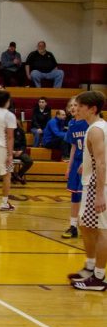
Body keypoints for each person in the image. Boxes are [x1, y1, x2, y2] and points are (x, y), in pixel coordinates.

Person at [67, 91, 107, 291]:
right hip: (91, 181)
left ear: (92, 109)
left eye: (81, 106)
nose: (77, 109)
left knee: (101, 229)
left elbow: (101, 162)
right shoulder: (97, 128)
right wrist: (86, 165)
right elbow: (97, 160)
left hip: (98, 186)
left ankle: (99, 277)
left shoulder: (96, 130)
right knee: (86, 225)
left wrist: (100, 193)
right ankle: (90, 267)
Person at [63, 97, 88, 238]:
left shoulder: (88, 122)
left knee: (86, 195)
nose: (73, 108)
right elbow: (73, 147)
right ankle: (73, 226)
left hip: (88, 162)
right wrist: (69, 167)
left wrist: (87, 162)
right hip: (77, 163)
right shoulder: (72, 123)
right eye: (70, 105)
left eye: (75, 105)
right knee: (74, 194)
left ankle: (87, 225)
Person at [11, 121, 34, 185]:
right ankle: (15, 176)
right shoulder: (6, 130)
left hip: (19, 151)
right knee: (7, 161)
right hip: (9, 151)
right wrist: (11, 151)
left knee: (29, 161)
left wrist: (21, 150)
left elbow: (24, 144)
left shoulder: (21, 131)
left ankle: (17, 176)